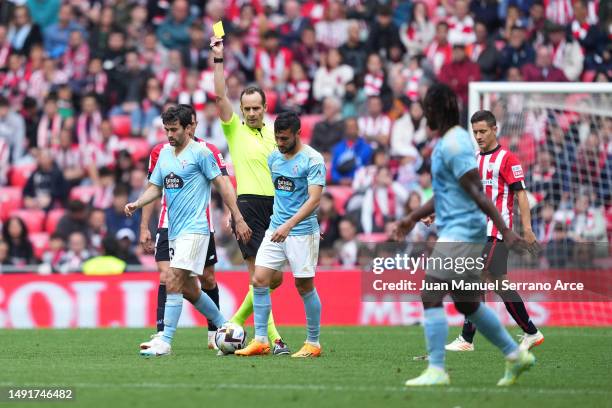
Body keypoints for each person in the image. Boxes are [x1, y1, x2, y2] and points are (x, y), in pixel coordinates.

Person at [395, 84, 535, 387]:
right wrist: (411, 217)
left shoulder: (455, 144)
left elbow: (478, 192)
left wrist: (507, 230)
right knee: (467, 302)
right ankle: (515, 355)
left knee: (431, 294)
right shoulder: (453, 142)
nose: (422, 113)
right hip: (460, 227)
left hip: (463, 230)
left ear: (437, 109)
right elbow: (451, 191)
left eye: (426, 107)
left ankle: (436, 369)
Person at [125, 105, 251, 357]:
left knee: (172, 277)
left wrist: (237, 216)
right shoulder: (164, 155)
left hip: (196, 230)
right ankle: (225, 326)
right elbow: (154, 187)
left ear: (188, 128)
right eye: (166, 130)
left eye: (174, 130)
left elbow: (223, 184)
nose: (169, 135)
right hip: (174, 231)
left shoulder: (201, 153)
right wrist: (138, 204)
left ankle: (165, 340)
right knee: (190, 289)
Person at [210, 34, 290, 355]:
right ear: (241, 109)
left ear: (265, 107)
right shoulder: (235, 129)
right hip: (249, 208)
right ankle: (272, 339)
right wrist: (218, 59)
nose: (252, 112)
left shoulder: (277, 133)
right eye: (247, 108)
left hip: (279, 208)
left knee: (273, 280)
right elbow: (219, 97)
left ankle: (232, 323)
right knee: (257, 277)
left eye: (257, 107)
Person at [445, 110, 544, 352]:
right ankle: (530, 332)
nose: (478, 136)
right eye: (475, 132)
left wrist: (528, 229)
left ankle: (467, 339)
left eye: (482, 131)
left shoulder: (508, 159)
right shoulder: (475, 160)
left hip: (497, 232)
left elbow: (521, 194)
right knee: (497, 283)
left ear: (494, 129)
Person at [235, 111, 324, 358]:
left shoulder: (313, 160)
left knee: (304, 286)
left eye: (285, 139)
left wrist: (290, 225)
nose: (280, 143)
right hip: (276, 229)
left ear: (298, 134)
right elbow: (283, 196)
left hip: (301, 232)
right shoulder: (274, 157)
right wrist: (280, 225)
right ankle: (261, 340)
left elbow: (314, 199)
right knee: (259, 280)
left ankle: (313, 343)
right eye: (277, 138)